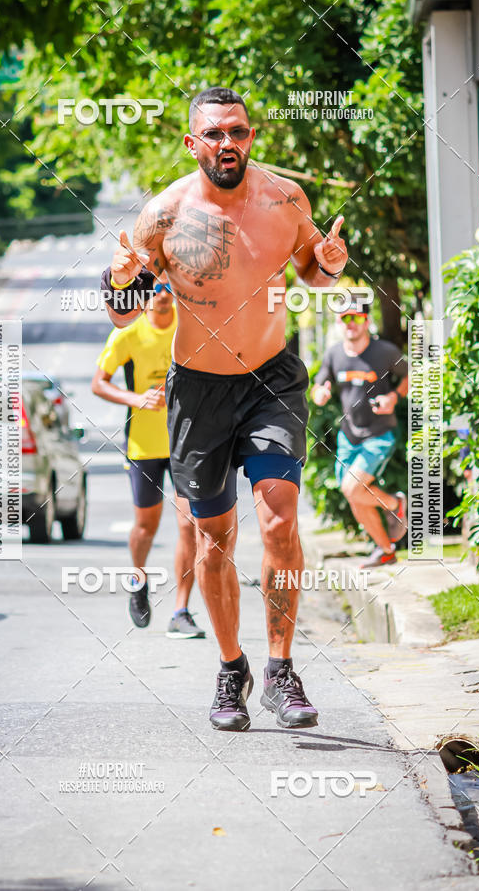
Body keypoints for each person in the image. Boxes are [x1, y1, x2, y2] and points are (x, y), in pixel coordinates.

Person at [102, 86, 348, 732]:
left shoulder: (286, 200)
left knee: (279, 519)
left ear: (251, 136)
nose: (227, 143)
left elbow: (310, 272)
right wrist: (121, 279)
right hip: (198, 391)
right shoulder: (164, 215)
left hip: (271, 381)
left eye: (237, 131)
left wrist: (328, 267)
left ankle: (282, 670)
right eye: (213, 133)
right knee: (214, 539)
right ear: (193, 143)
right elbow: (122, 312)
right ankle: (231, 667)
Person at [91, 276, 205, 639]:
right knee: (146, 526)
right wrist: (136, 399)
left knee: (189, 524)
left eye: (169, 288)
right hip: (143, 446)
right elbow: (99, 382)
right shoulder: (129, 333)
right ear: (144, 295)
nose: (162, 295)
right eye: (155, 289)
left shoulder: (189, 327)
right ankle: (138, 581)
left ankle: (181, 610)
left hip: (185, 443)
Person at [311, 296, 409, 567]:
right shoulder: (334, 354)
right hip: (349, 437)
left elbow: (411, 375)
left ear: (366, 321)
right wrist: (319, 394)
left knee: (351, 488)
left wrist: (393, 398)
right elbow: (319, 385)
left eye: (355, 317)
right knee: (355, 496)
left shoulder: (384, 352)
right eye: (345, 318)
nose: (350, 323)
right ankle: (386, 550)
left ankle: (396, 505)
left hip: (379, 435)